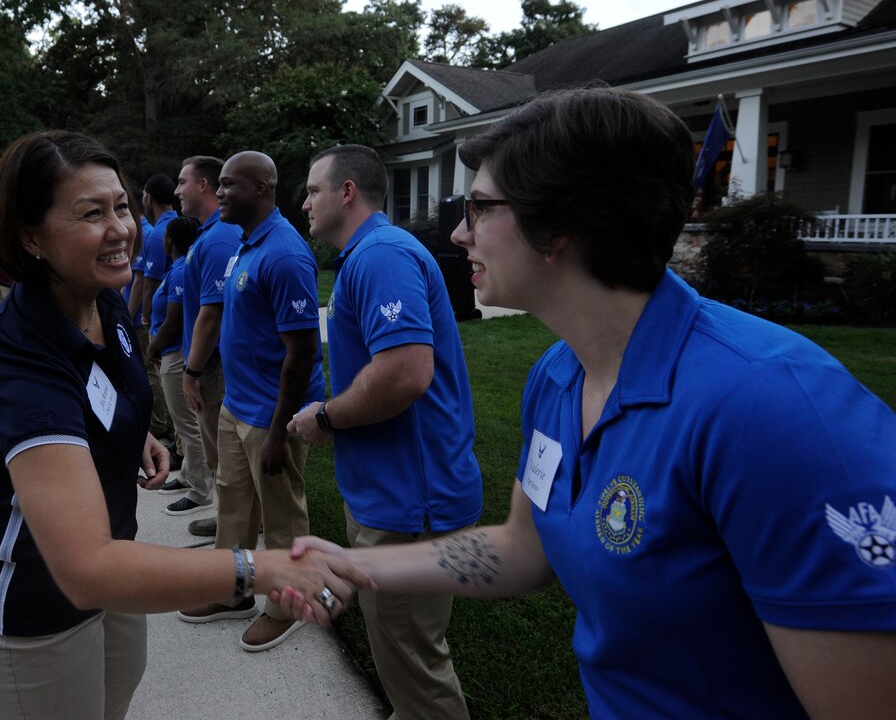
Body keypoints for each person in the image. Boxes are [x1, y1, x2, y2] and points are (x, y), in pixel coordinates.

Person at [279, 88, 896, 719]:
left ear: (560, 225)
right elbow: (522, 549)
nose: (460, 233)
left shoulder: (774, 410)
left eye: (481, 208)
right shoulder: (558, 376)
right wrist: (357, 566)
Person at [0, 130, 370, 720]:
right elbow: (85, 569)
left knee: (117, 695)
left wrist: (134, 434)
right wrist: (260, 567)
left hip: (116, 584)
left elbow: (102, 399)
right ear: (28, 234)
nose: (121, 227)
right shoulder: (19, 361)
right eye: (91, 213)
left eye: (121, 205)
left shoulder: (103, 302)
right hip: (36, 609)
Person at [287, 144, 481, 720]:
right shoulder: (372, 255)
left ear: (347, 192)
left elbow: (403, 373)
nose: (304, 203)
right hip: (396, 494)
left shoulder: (380, 256)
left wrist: (324, 416)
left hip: (409, 504)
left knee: (414, 663)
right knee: (403, 656)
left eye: (313, 190)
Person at [177, 151, 325, 652]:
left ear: (261, 188)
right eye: (217, 185)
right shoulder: (245, 242)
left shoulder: (285, 254)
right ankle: (234, 592)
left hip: (270, 415)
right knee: (234, 506)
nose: (219, 193)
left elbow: (303, 352)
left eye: (228, 185)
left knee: (282, 515)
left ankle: (288, 602)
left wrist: (281, 430)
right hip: (236, 406)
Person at [175, 155, 243, 538]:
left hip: (211, 366)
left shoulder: (218, 238)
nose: (177, 190)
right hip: (209, 364)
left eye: (182, 182)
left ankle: (231, 519)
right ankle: (233, 516)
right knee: (220, 449)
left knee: (222, 452)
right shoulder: (210, 234)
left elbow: (212, 314)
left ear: (203, 185)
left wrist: (193, 371)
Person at [147, 215, 207, 506]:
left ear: (169, 239)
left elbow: (173, 322)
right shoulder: (178, 268)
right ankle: (186, 475)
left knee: (188, 424)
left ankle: (199, 490)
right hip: (168, 352)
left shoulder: (183, 271)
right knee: (183, 423)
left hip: (174, 352)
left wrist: (152, 347)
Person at [128, 174, 178, 444]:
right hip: (173, 315)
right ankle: (169, 426)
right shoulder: (177, 225)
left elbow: (143, 282)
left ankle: (159, 426)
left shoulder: (156, 232)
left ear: (148, 198)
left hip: (155, 319)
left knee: (151, 369)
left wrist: (136, 315)